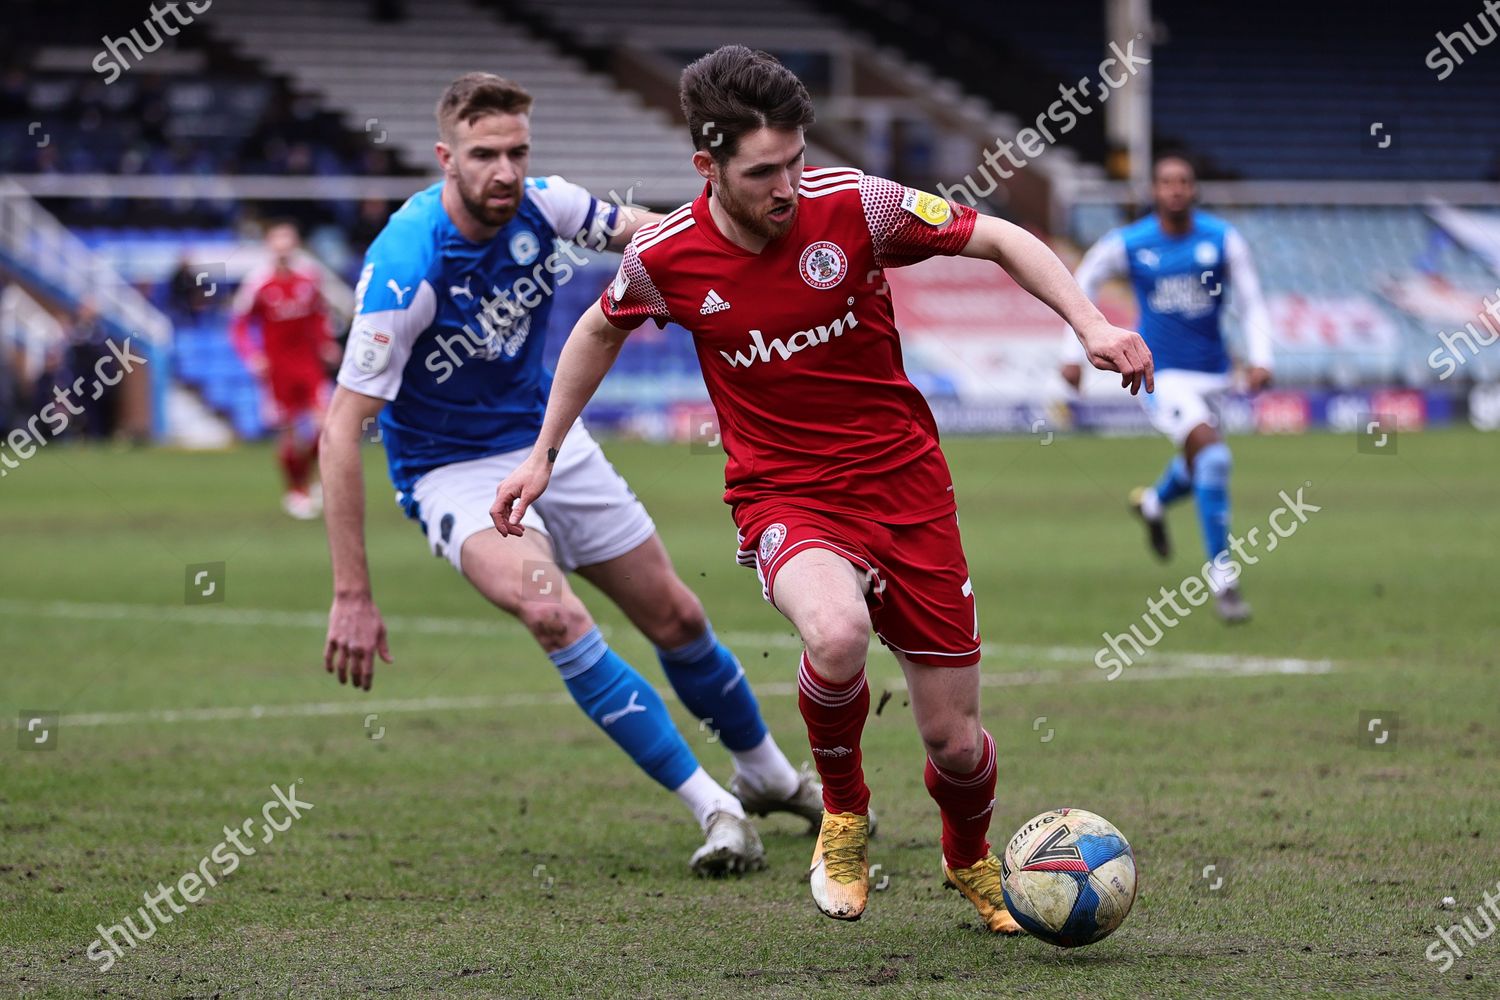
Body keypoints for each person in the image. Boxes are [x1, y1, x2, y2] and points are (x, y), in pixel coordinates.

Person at [489, 46, 1153, 929]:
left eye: (796, 160)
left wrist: (1091, 324)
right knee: (836, 634)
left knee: (955, 746)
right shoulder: (667, 255)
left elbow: (996, 236)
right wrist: (542, 453)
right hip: (785, 497)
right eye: (763, 172)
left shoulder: (856, 205)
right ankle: (842, 814)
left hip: (909, 493)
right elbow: (596, 333)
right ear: (707, 168)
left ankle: (968, 860)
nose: (787, 186)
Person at [320, 72, 821, 876]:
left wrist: (746, 244)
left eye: (518, 151)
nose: (506, 172)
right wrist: (352, 595)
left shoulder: (544, 204)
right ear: (446, 157)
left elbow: (651, 234)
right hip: (452, 473)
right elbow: (341, 430)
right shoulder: (403, 266)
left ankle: (765, 774)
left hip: (548, 444)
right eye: (485, 155)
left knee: (679, 618)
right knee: (553, 614)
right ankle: (715, 808)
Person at [1060, 154, 1273, 622]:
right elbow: (1083, 281)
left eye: (1183, 182)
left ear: (1193, 189)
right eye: (1166, 182)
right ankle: (1225, 583)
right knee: (1214, 459)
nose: (1175, 189)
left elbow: (1252, 300)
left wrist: (1262, 357)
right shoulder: (1130, 243)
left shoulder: (1222, 239)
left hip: (1216, 373)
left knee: (1200, 462)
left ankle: (1154, 502)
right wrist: (1073, 352)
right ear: (1154, 191)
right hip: (1161, 374)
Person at [230, 221, 339, 518]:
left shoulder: (309, 277)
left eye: (287, 241)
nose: (283, 248)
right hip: (278, 369)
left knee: (324, 426)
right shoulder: (258, 282)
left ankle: (311, 480)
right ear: (269, 246)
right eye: (277, 242)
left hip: (309, 364)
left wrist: (326, 343)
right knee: (289, 433)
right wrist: (252, 355)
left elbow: (319, 315)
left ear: (295, 244)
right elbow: (239, 324)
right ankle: (296, 490)